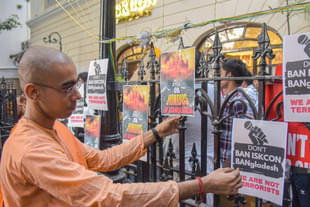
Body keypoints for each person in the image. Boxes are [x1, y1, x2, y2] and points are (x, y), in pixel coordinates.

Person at [0, 46, 242, 207]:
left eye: (76, 85)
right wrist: (203, 185)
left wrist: (156, 133)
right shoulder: (32, 149)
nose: (76, 95)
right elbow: (108, 196)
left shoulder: (56, 129)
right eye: (67, 88)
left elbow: (102, 159)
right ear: (33, 92)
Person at [219, 58, 254, 167]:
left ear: (229, 75)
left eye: (220, 73)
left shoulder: (239, 101)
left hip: (229, 162)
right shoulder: (228, 98)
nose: (218, 77)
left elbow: (245, 136)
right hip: (222, 159)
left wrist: (230, 161)